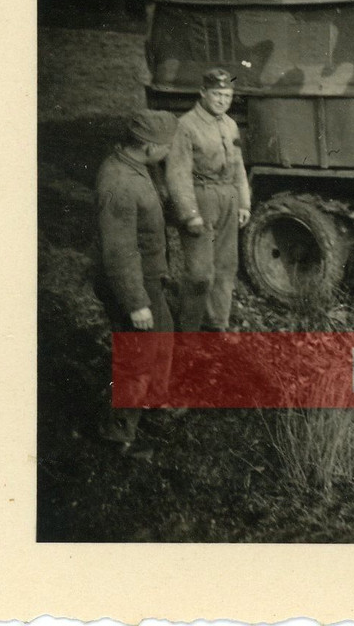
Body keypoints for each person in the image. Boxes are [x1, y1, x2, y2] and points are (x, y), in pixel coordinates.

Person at [94, 109, 179, 449]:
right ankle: (117, 431)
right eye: (166, 145)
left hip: (149, 279)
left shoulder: (138, 167)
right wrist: (136, 303)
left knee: (163, 338)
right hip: (132, 284)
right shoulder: (119, 183)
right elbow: (119, 251)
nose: (170, 151)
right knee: (136, 356)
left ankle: (155, 404)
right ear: (147, 146)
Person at [166, 68, 251, 331]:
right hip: (201, 198)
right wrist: (189, 213)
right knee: (200, 273)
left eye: (227, 95)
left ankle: (217, 326)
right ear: (203, 93)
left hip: (228, 197)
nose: (223, 100)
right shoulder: (186, 125)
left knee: (226, 268)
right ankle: (189, 330)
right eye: (217, 94)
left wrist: (244, 203)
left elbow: (238, 167)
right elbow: (177, 173)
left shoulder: (230, 124)